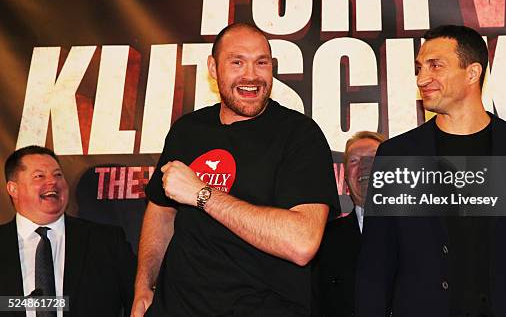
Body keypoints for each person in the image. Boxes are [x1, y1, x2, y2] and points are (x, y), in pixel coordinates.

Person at [355, 25, 506, 316]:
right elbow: (375, 267)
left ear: (472, 73)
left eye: (435, 66)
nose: (422, 78)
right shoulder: (397, 156)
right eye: (419, 68)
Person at [132, 23, 339, 317]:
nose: (251, 75)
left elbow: (301, 242)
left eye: (261, 62)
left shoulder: (298, 134)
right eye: (237, 62)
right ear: (213, 69)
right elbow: (162, 210)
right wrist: (144, 286)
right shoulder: (187, 130)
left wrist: (203, 194)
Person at [0, 145, 136, 317]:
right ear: (13, 189)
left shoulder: (106, 241)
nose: (52, 182)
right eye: (39, 176)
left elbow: (138, 303)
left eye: (58, 175)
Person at [312, 131, 385, 316]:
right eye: (354, 161)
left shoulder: (420, 233)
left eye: (373, 158)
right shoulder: (323, 239)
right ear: (345, 182)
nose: (364, 166)